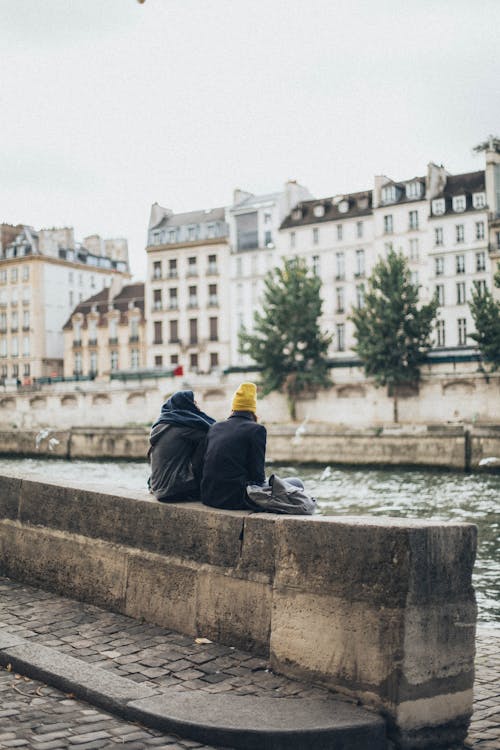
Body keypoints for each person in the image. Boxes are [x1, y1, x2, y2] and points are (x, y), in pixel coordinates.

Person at [201, 382, 266, 510]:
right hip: (235, 499)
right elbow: (257, 476)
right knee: (295, 483)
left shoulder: (215, 427)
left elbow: (201, 464)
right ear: (253, 409)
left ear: (233, 408)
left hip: (208, 497)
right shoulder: (257, 430)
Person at [148, 390, 215, 502]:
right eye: (194, 402)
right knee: (210, 443)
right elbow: (215, 433)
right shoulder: (185, 426)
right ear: (186, 404)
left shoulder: (161, 425)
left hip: (157, 488)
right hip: (174, 491)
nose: (197, 406)